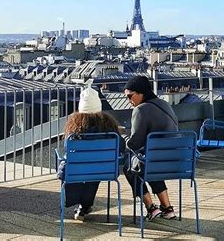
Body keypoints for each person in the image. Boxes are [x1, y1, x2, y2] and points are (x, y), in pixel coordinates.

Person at [58, 87, 125, 221]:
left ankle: (74, 202)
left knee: (75, 167)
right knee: (94, 170)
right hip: (105, 170)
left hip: (75, 171)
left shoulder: (74, 131)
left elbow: (67, 148)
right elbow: (121, 147)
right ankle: (85, 205)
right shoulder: (110, 128)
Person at [123, 75, 178, 221]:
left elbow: (134, 143)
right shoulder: (165, 104)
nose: (129, 101)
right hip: (177, 161)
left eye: (130, 96)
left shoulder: (140, 110)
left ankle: (151, 207)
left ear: (141, 93)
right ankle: (167, 208)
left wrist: (123, 139)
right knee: (148, 162)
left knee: (130, 167)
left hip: (156, 161)